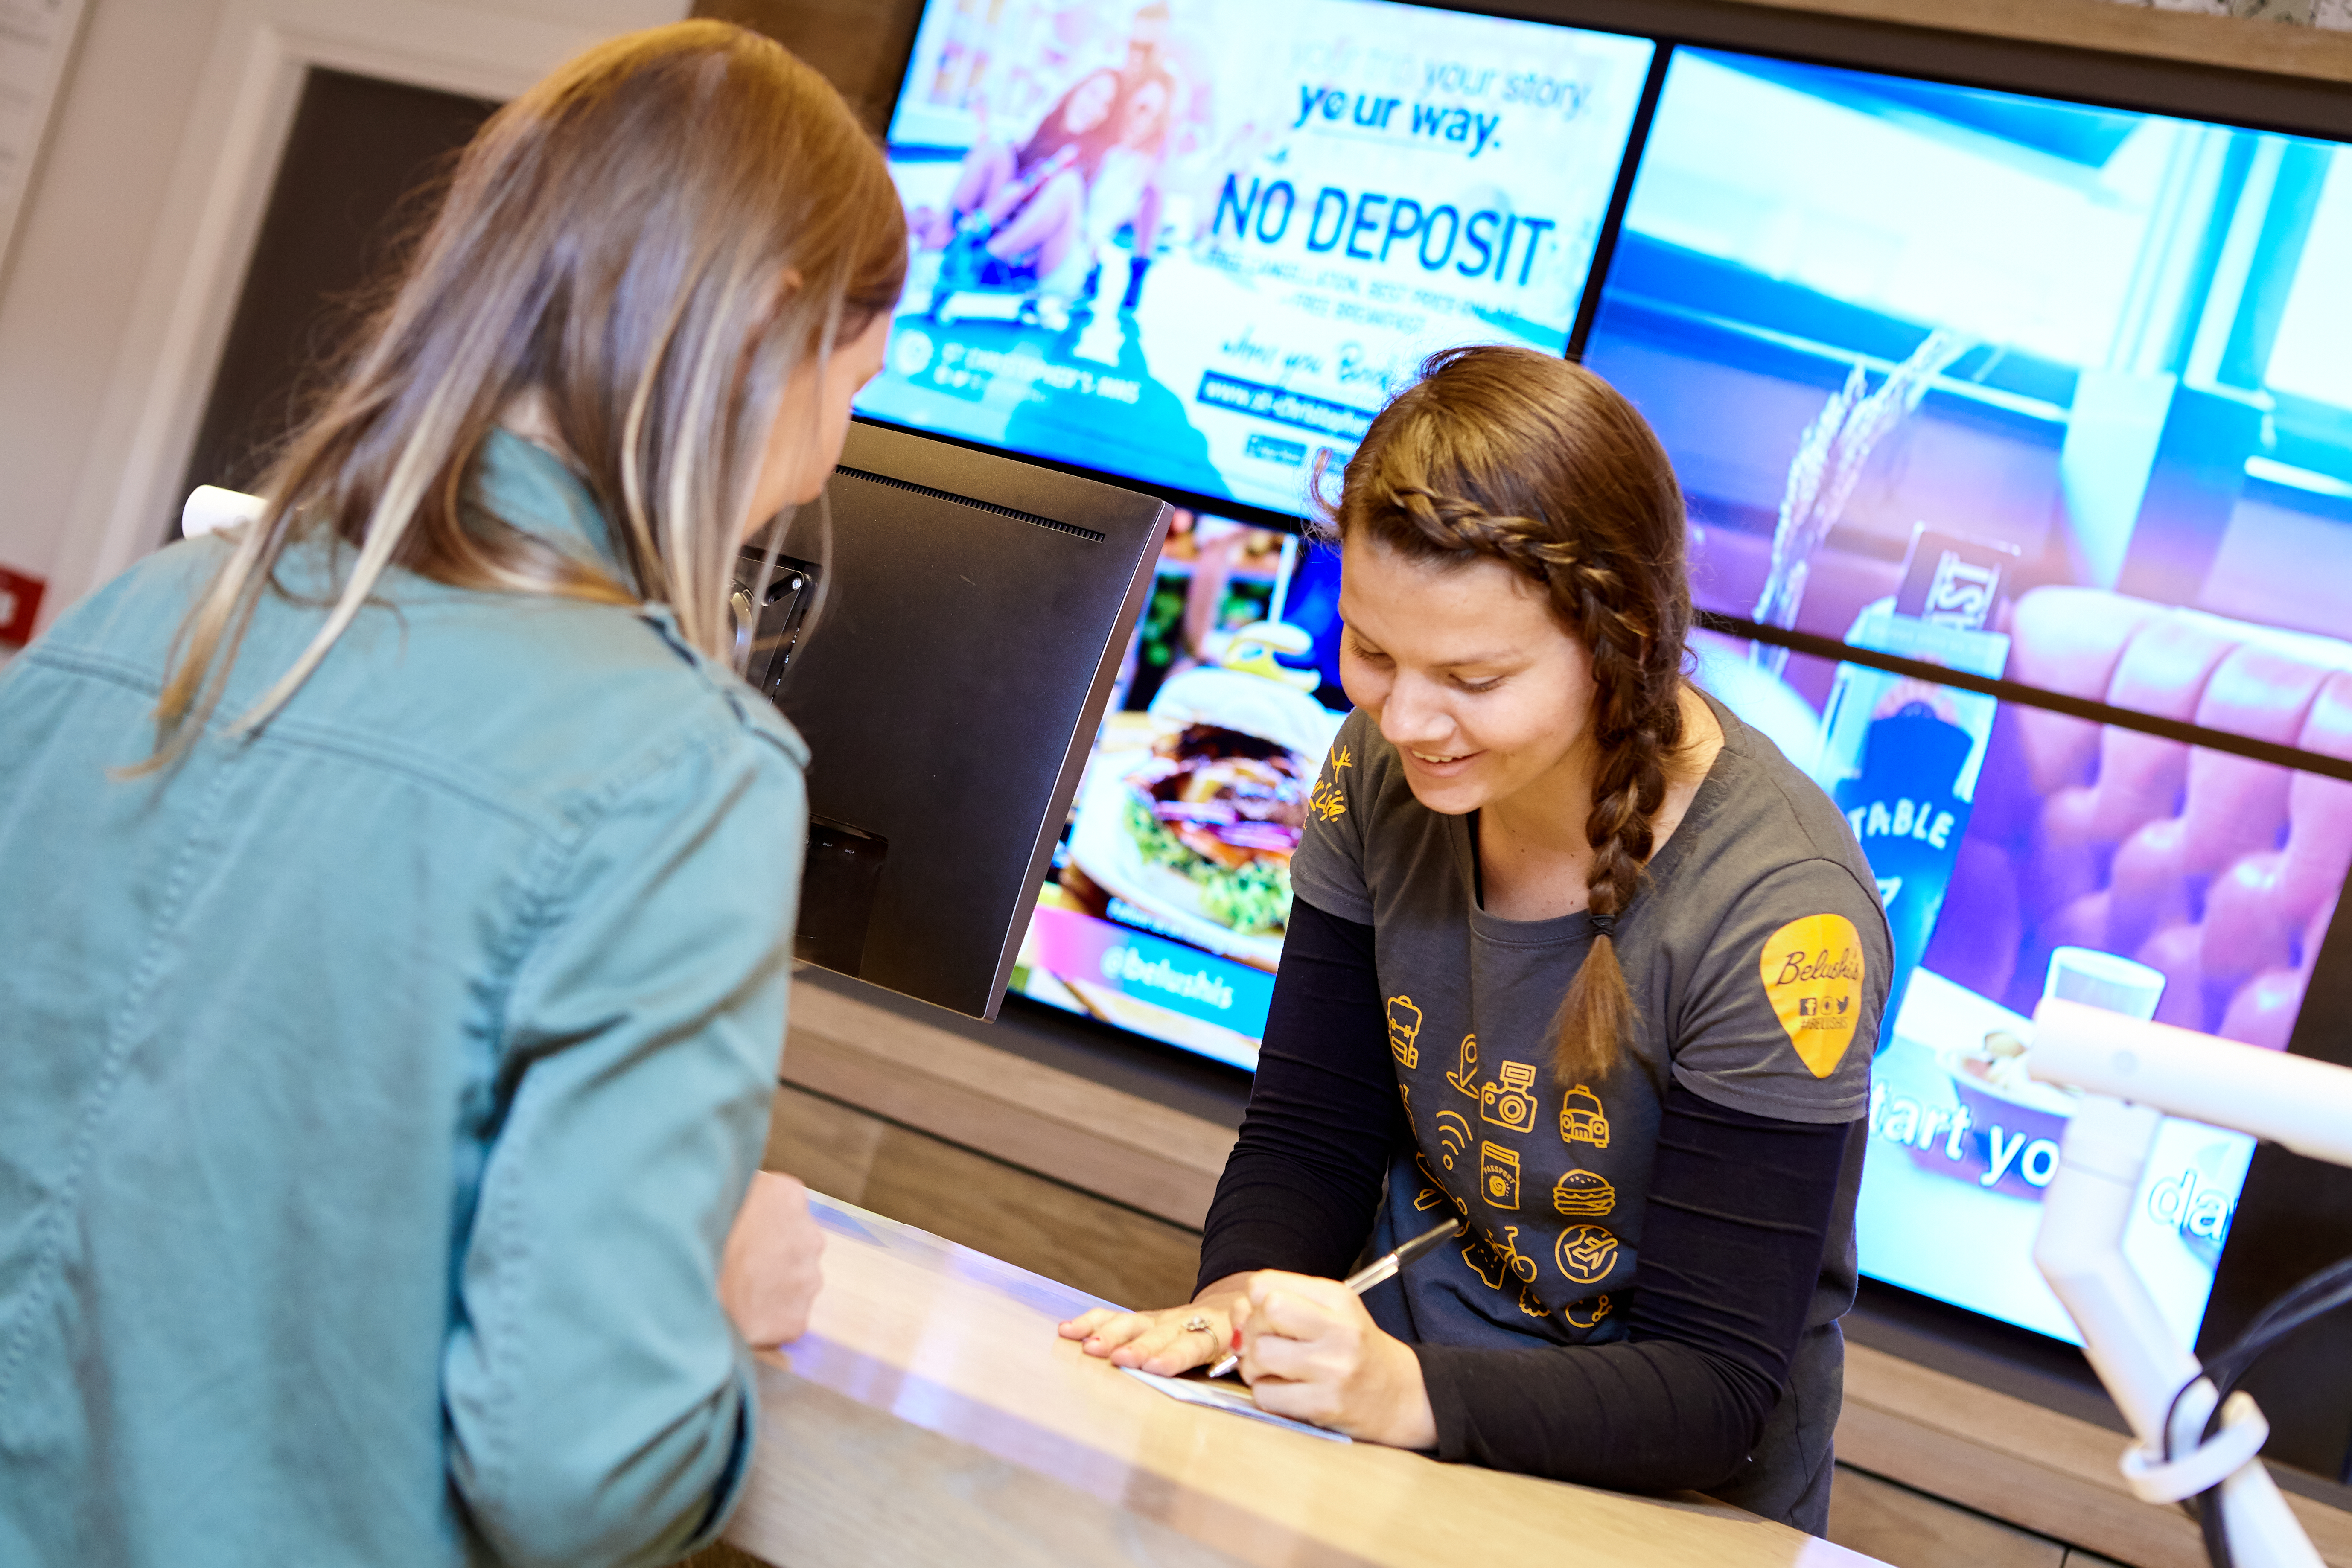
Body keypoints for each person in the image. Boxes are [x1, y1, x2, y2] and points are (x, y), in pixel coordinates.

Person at [0, 22, 903, 1568]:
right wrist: (706, 1303)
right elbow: (577, 1469)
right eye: (850, 386)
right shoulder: (682, 774)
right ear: (765, 322)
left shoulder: (133, 618)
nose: (823, 462)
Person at [1059, 345, 1891, 1534]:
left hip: (1669, 1510)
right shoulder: (1375, 771)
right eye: (1372, 652)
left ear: (1621, 639)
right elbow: (1309, 1137)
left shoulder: (1784, 912)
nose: (1405, 719)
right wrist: (1236, 1310)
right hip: (1386, 1433)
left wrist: (1404, 1392)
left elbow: (1714, 1390)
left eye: (1474, 677)